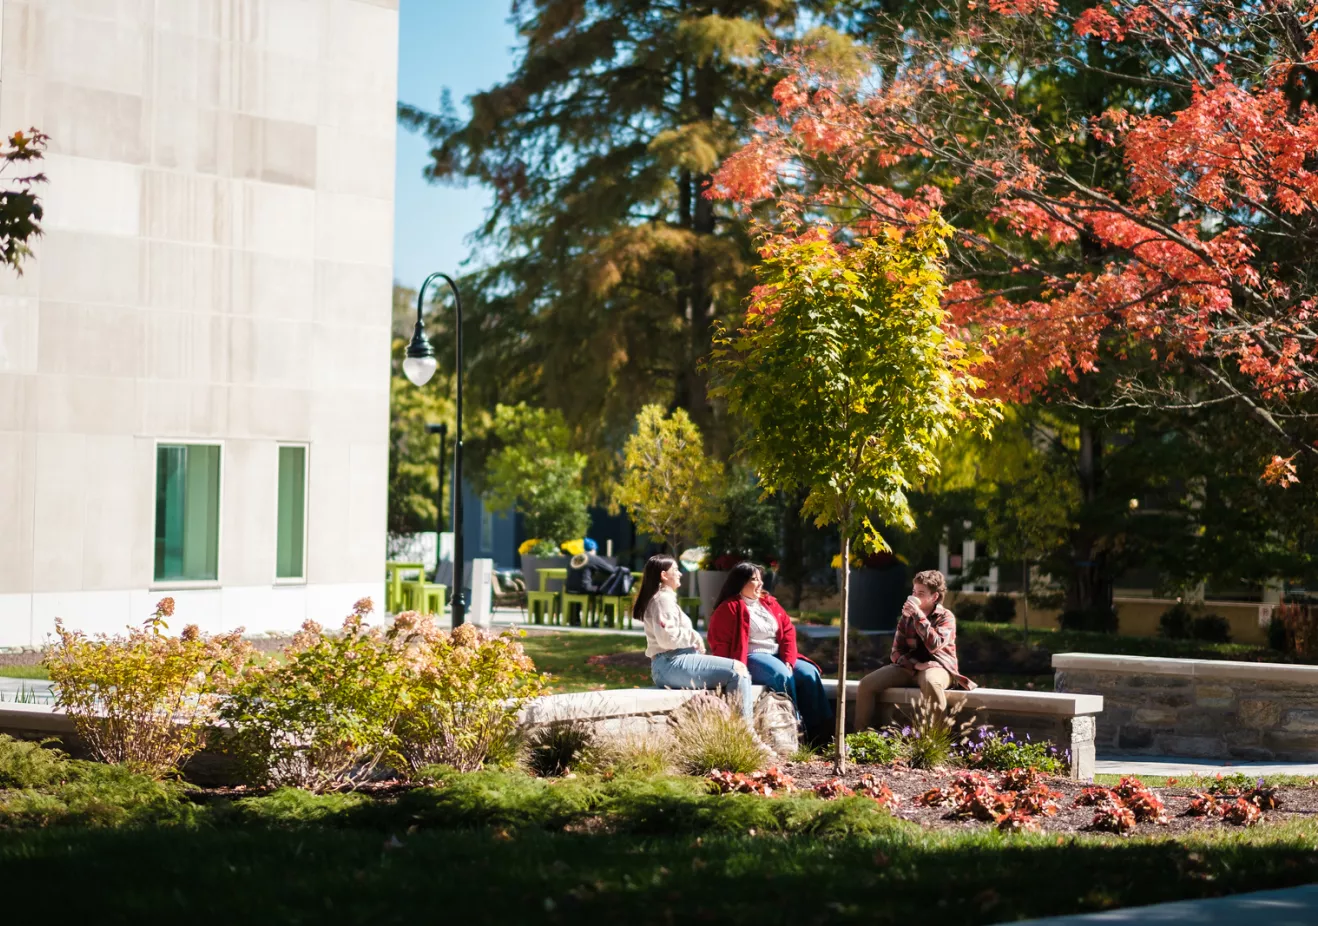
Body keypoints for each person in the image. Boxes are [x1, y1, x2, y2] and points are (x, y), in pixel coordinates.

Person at [707, 562, 834, 744]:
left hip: (777, 655)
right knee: (780, 675)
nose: (760, 584)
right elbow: (719, 642)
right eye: (754, 579)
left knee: (809, 673)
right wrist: (730, 670)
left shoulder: (769, 603)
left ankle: (821, 733)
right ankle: (795, 728)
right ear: (740, 582)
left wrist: (789, 659)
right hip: (749, 657)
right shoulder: (728, 608)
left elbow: (788, 630)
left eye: (760, 579)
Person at [853, 569, 976, 732]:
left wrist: (918, 616)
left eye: (921, 593)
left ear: (935, 597)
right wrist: (916, 665)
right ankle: (858, 738)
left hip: (938, 667)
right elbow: (896, 652)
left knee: (931, 682)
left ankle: (938, 742)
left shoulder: (946, 617)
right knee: (866, 684)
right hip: (910, 667)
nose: (915, 596)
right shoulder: (907, 616)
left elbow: (934, 644)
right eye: (913, 592)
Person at [637, 553, 754, 722]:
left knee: (735, 671)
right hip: (671, 663)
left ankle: (734, 729)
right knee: (738, 670)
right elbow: (667, 639)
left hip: (671, 664)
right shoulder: (662, 600)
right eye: (676, 570)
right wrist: (693, 636)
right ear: (664, 575)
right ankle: (746, 733)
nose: (680, 574)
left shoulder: (664, 599)